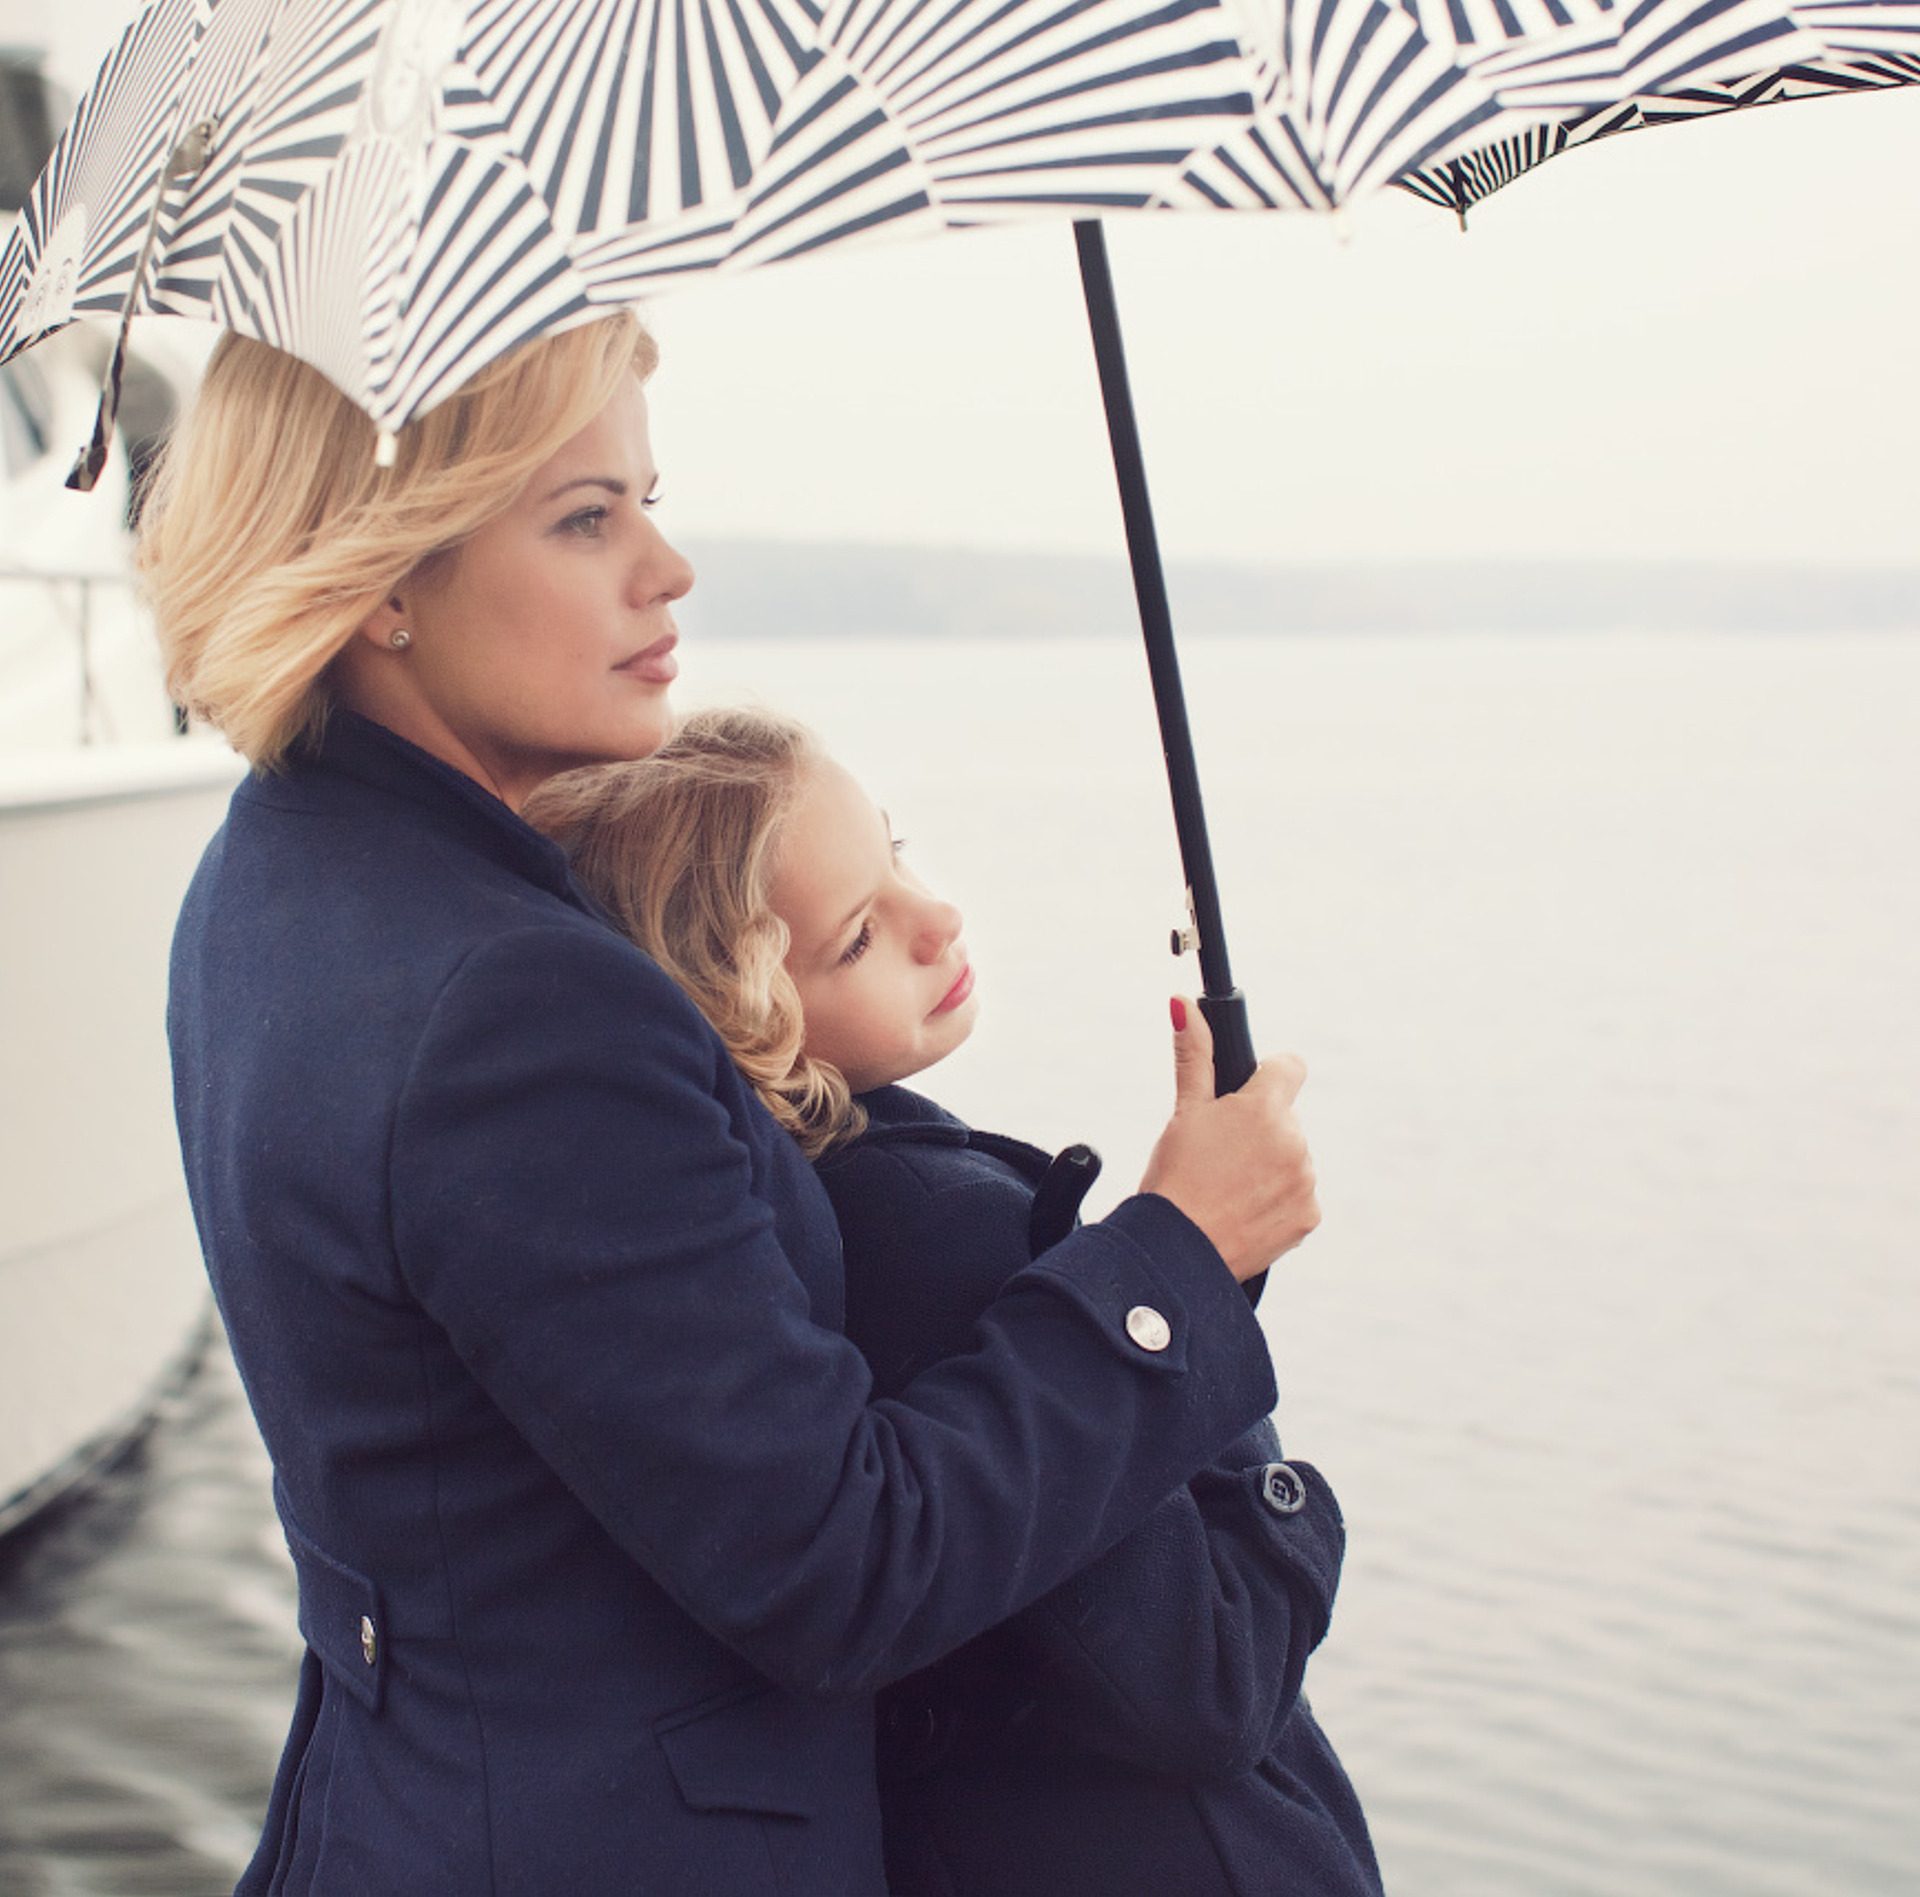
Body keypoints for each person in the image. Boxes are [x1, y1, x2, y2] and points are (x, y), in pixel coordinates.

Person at [141, 311, 1325, 1895]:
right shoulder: (518, 1008)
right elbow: (841, 1567)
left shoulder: (269, 878)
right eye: (586, 518)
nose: (668, 568)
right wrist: (1177, 1261)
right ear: (386, 582)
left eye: (646, 496)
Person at [527, 708, 1384, 1896]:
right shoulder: (934, 1238)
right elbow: (1213, 1676)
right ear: (743, 1020)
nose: (940, 919)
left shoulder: (768, 1223)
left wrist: (1202, 1269)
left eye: (897, 852)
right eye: (859, 936)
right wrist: (1282, 1489)